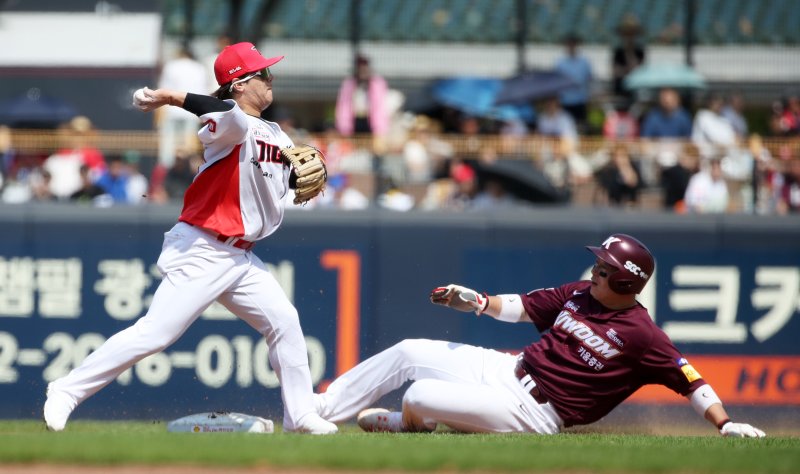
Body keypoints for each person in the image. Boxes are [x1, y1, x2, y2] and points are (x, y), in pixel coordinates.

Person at [43, 42, 337, 435]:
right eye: (263, 74)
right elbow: (221, 111)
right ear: (240, 84)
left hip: (240, 258)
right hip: (203, 247)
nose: (271, 79)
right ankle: (66, 390)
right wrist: (168, 96)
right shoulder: (232, 124)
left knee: (285, 321)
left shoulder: (276, 132)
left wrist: (306, 170)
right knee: (155, 333)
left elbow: (290, 173)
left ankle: (300, 416)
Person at [314, 234, 766, 438]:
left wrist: (725, 424)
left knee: (420, 394)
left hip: (534, 412)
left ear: (627, 284)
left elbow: (690, 380)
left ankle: (409, 426)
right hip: (508, 368)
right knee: (410, 350)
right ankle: (322, 412)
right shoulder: (582, 293)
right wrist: (476, 301)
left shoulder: (644, 336)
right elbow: (524, 307)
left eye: (605, 269)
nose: (596, 271)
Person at [156, 44, 211, 167]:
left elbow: (163, 91)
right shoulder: (200, 68)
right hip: (191, 112)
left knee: (168, 150)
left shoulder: (171, 66)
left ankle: (167, 172)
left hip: (172, 111)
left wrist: (160, 116)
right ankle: (187, 172)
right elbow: (204, 93)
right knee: (188, 149)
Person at [334, 54, 390, 137]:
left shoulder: (377, 84)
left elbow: (382, 106)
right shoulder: (349, 84)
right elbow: (343, 106)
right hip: (355, 120)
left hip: (371, 120)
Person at [554, 33, 593, 132]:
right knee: (565, 128)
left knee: (581, 128)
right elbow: (556, 84)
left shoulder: (584, 62)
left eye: (573, 44)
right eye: (569, 44)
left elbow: (589, 81)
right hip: (565, 102)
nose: (571, 46)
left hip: (580, 101)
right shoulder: (560, 63)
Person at [611, 15, 646, 99]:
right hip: (620, 89)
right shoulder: (618, 52)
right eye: (626, 34)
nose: (629, 37)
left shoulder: (639, 51)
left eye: (631, 34)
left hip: (636, 89)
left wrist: (630, 52)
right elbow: (616, 72)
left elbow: (639, 70)